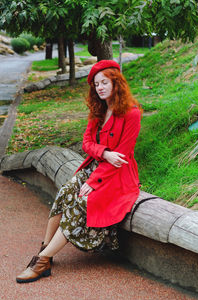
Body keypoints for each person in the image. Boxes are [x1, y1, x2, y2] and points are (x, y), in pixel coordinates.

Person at [16, 60, 143, 283]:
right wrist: (103, 153)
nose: (100, 87)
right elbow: (86, 143)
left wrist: (94, 181)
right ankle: (46, 248)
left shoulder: (132, 113)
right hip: (98, 165)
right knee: (66, 191)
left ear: (117, 83)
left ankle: (43, 260)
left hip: (118, 176)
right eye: (96, 84)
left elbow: (121, 157)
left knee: (82, 202)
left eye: (105, 82)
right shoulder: (99, 109)